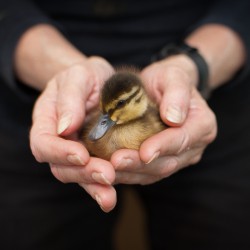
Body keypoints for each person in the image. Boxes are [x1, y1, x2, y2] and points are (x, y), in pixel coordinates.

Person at [0, 0, 250, 249]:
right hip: (37, 98)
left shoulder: (151, 116)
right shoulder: (100, 115)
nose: (103, 123)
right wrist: (65, 73)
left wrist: (195, 66)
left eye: (114, 111)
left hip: (209, 100)